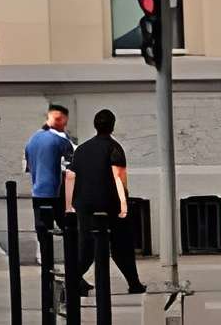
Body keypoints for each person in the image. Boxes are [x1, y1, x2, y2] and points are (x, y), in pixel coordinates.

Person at [67, 106, 146, 320]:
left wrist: (71, 204)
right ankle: (133, 282)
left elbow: (72, 177)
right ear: (112, 126)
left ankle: (70, 280)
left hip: (84, 203)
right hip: (108, 204)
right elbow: (120, 181)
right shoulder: (114, 148)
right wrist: (124, 205)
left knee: (87, 246)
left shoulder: (81, 149)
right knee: (121, 244)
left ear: (95, 126)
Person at [24, 103, 76, 299]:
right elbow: (72, 161)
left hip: (37, 192)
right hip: (56, 193)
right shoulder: (59, 140)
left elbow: (29, 167)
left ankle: (47, 273)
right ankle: (74, 276)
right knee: (71, 233)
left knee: (43, 235)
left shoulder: (32, 140)